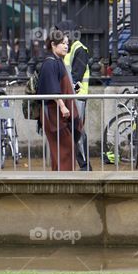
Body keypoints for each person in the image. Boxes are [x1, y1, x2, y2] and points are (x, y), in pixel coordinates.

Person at [37, 29, 85, 171]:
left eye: (67, 43)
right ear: (53, 44)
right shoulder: (50, 63)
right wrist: (63, 106)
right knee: (65, 149)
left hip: (57, 114)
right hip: (53, 114)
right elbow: (52, 88)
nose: (66, 46)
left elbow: (59, 85)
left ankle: (62, 180)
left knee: (62, 150)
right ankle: (64, 182)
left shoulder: (58, 61)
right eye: (62, 43)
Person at [62, 26, 91, 168]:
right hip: (69, 96)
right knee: (73, 131)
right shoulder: (67, 49)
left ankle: (85, 166)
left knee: (78, 131)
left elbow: (76, 77)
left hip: (77, 97)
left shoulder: (79, 49)